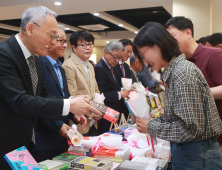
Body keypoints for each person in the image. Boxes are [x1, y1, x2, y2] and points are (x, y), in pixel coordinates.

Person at [0, 6, 100, 169]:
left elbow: (43, 97)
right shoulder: (4, 54)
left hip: (26, 147)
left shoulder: (36, 61)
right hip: (7, 146)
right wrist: (69, 104)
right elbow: (19, 101)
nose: (52, 41)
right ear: (31, 29)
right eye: (51, 35)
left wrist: (70, 107)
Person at [134, 22, 222, 170]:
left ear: (157, 46)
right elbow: (180, 119)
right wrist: (153, 122)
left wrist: (151, 126)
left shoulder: (182, 73)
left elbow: (190, 130)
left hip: (196, 155)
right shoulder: (177, 71)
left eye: (143, 54)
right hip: (193, 153)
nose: (144, 61)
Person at [165, 16, 222, 148]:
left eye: (173, 37)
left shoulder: (213, 55)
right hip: (190, 137)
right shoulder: (180, 62)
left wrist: (195, 91)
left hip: (213, 141)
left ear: (188, 33)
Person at [34, 25, 87, 162]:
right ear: (48, 41)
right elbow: (38, 102)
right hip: (45, 137)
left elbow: (63, 99)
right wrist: (58, 126)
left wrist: (73, 114)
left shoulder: (60, 68)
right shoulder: (38, 65)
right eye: (61, 41)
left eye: (65, 42)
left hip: (62, 137)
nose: (64, 45)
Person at [62, 30, 101, 136]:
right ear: (74, 47)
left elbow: (96, 90)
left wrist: (100, 109)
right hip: (80, 122)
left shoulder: (89, 65)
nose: (88, 47)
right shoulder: (69, 66)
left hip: (93, 121)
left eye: (89, 44)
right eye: (83, 45)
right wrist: (93, 112)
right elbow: (73, 96)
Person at [94, 40, 133, 134]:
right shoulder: (99, 68)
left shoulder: (111, 66)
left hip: (114, 111)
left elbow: (114, 87)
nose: (117, 61)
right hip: (106, 111)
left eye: (119, 58)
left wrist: (124, 91)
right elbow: (101, 94)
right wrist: (120, 94)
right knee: (107, 137)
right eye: (115, 57)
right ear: (106, 53)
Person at [114, 39, 133, 119]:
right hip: (115, 106)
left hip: (126, 106)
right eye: (127, 51)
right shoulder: (113, 65)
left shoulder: (126, 66)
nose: (129, 54)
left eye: (131, 52)